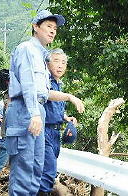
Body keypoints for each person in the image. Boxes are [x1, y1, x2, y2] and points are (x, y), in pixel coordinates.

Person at [6, 9, 84, 196]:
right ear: (35, 27)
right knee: (24, 172)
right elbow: (28, 84)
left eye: (55, 28)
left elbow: (44, 92)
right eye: (48, 26)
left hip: (36, 110)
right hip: (25, 110)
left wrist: (69, 98)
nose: (52, 31)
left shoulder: (41, 56)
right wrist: (34, 113)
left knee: (36, 170)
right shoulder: (27, 49)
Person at [39, 49, 77, 195]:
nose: (60, 65)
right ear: (47, 63)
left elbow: (56, 107)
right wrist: (69, 97)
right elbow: (46, 95)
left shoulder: (58, 84)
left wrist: (66, 118)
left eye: (63, 62)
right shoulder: (44, 81)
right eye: (56, 61)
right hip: (44, 131)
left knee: (49, 172)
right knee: (48, 172)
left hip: (55, 133)